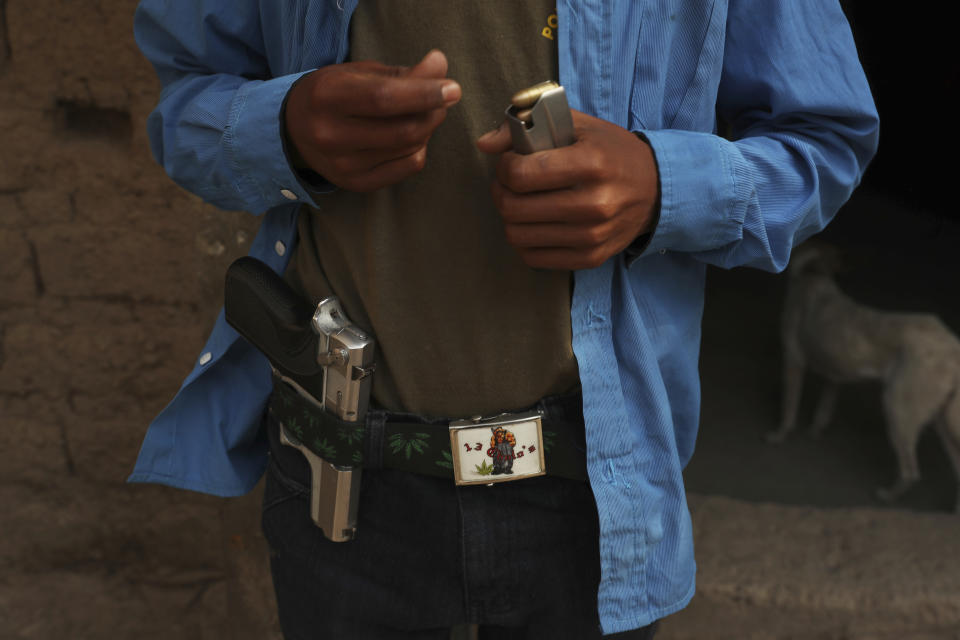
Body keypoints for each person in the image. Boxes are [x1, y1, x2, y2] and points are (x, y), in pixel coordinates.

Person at [129, 1, 878, 638]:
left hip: (593, 497)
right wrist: (283, 127)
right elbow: (187, 98)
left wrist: (660, 184)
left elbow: (825, 140)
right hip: (339, 480)